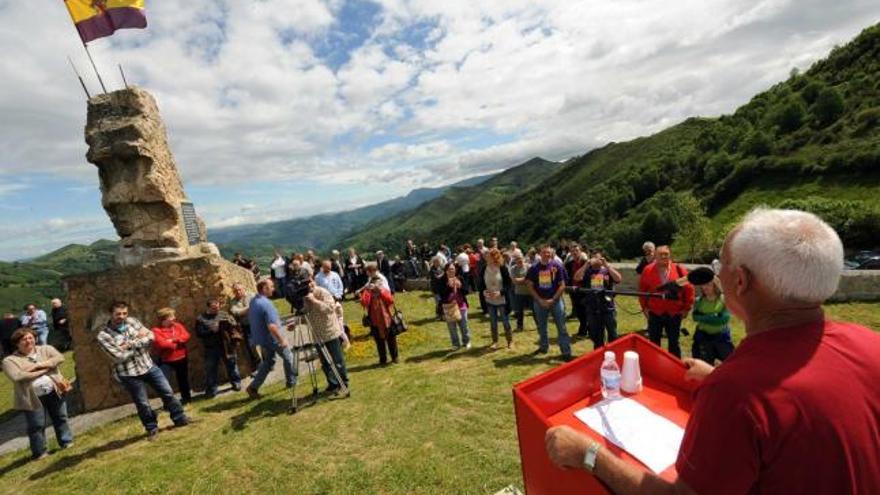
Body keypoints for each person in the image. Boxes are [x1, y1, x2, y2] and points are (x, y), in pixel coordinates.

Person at [545, 208, 880, 495]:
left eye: (722, 263)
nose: (715, 272)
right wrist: (719, 376)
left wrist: (589, 454)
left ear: (741, 281)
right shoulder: (871, 345)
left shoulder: (737, 391)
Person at [96, 301, 188, 438]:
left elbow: (151, 336)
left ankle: (180, 419)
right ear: (110, 314)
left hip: (148, 365)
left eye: (124, 313)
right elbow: (118, 357)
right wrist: (140, 341)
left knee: (167, 392)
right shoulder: (104, 335)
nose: (122, 316)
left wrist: (129, 344)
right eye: (118, 314)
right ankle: (152, 428)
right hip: (129, 373)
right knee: (143, 403)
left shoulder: (132, 321)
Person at [2, 328, 74, 460]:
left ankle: (66, 441)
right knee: (37, 425)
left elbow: (59, 358)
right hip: (32, 397)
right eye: (24, 339)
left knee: (61, 417)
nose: (28, 341)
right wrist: (43, 370)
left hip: (54, 390)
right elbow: (18, 376)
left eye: (30, 338)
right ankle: (40, 452)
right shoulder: (10, 361)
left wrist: (38, 365)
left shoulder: (45, 349)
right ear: (17, 343)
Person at [638, 245, 695, 358]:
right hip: (655, 312)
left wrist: (687, 308)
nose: (664, 256)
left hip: (674, 313)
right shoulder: (648, 270)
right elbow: (642, 291)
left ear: (670, 255)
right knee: (654, 342)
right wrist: (644, 308)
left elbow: (689, 289)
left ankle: (675, 367)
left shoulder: (679, 269)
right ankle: (655, 365)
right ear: (655, 256)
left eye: (666, 254)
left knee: (674, 343)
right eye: (661, 254)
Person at [246, 279, 298, 399]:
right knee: (289, 357)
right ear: (264, 289)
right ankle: (292, 382)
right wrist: (282, 340)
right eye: (271, 286)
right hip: (271, 337)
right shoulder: (265, 304)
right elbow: (271, 326)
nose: (273, 288)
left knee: (269, 362)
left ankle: (253, 387)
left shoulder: (254, 301)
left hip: (263, 338)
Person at [300, 274, 350, 397]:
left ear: (314, 281)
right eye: (306, 284)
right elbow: (308, 314)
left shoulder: (323, 292)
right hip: (317, 335)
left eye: (310, 282)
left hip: (330, 332)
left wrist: (314, 301)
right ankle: (332, 384)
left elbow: (329, 309)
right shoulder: (306, 297)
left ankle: (343, 382)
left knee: (337, 359)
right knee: (325, 362)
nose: (309, 285)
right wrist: (297, 322)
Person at [526, 245, 572, 360]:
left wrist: (554, 299)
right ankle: (543, 346)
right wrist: (539, 300)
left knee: (561, 326)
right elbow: (530, 286)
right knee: (541, 326)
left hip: (556, 301)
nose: (546, 255)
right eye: (544, 252)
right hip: (539, 302)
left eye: (549, 253)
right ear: (540, 253)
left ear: (551, 254)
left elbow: (562, 285)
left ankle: (565, 351)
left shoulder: (558, 266)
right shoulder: (534, 268)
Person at [574, 250, 622, 349]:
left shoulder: (607, 270)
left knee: (612, 333)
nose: (596, 260)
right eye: (593, 258)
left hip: (608, 308)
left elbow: (618, 279)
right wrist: (586, 265)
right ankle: (599, 353)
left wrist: (607, 265)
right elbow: (576, 278)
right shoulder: (587, 271)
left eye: (598, 258)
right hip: (592, 308)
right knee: (596, 335)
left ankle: (613, 353)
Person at [196, 299, 242, 398]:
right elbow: (199, 333)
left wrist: (231, 324)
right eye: (214, 308)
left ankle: (236, 382)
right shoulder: (201, 318)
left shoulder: (224, 314)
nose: (217, 309)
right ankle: (212, 389)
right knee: (211, 369)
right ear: (208, 307)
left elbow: (234, 326)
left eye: (218, 307)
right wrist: (212, 330)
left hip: (226, 345)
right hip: (211, 347)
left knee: (232, 365)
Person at [151, 308, 192, 404]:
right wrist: (176, 344)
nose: (174, 318)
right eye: (172, 316)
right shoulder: (156, 330)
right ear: (165, 318)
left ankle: (186, 399)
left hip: (181, 357)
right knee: (165, 383)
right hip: (166, 360)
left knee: (183, 380)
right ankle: (168, 403)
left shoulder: (177, 326)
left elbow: (186, 336)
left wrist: (174, 340)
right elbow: (162, 344)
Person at [691, 276, 734, 363]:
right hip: (704, 338)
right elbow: (695, 317)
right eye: (703, 285)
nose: (705, 287)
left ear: (715, 285)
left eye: (708, 284)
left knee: (730, 363)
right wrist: (714, 316)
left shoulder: (723, 299)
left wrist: (704, 317)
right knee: (704, 365)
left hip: (721, 338)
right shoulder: (699, 301)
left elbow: (724, 319)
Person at [360, 276, 399, 365]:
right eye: (377, 283)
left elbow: (390, 300)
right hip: (375, 320)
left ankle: (395, 357)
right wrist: (367, 291)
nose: (379, 285)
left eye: (380, 283)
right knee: (379, 342)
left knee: (391, 340)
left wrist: (380, 291)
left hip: (387, 319)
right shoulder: (369, 292)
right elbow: (364, 303)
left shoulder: (384, 290)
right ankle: (383, 359)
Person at [481, 248, 513, 349]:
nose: (486, 257)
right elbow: (480, 284)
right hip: (490, 300)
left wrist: (500, 292)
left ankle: (510, 341)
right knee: (493, 322)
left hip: (502, 300)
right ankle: (495, 341)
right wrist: (484, 291)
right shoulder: (484, 268)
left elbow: (509, 284)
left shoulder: (502, 268)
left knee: (505, 321)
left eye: (488, 256)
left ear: (494, 257)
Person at [437, 262, 471, 350]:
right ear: (446, 271)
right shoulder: (442, 280)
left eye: (453, 269)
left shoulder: (460, 278)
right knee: (452, 327)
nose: (451, 271)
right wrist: (448, 286)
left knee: (464, 325)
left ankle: (466, 341)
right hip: (449, 306)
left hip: (461, 305)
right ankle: (455, 344)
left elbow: (466, 291)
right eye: (449, 269)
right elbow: (441, 294)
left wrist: (460, 287)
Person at [229, 283, 261, 375]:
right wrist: (249, 308)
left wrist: (244, 310)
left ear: (243, 289)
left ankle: (268, 362)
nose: (238, 292)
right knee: (251, 345)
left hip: (258, 323)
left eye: (239, 289)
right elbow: (236, 312)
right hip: (246, 326)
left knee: (264, 343)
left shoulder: (252, 295)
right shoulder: (233, 302)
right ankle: (258, 363)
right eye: (236, 291)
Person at [564, 244, 590, 337]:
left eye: (576, 250)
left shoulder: (586, 263)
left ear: (581, 251)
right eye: (572, 251)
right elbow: (566, 277)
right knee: (578, 311)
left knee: (586, 311)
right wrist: (567, 287)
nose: (574, 253)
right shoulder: (568, 264)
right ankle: (584, 328)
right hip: (574, 291)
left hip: (585, 291)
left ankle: (584, 330)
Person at [509, 254, 532, 332]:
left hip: (530, 292)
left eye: (520, 258)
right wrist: (526, 279)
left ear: (523, 259)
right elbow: (514, 281)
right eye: (517, 259)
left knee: (535, 310)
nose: (519, 260)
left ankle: (539, 325)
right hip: (519, 292)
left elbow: (531, 279)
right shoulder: (513, 268)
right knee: (519, 311)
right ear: (515, 260)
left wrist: (521, 280)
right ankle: (519, 326)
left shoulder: (529, 266)